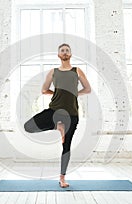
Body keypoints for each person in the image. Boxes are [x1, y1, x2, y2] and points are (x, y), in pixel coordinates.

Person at [24, 43, 91, 188]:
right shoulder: (53, 72)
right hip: (54, 109)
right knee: (28, 126)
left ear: (71, 54)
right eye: (62, 50)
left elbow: (88, 89)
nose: (65, 52)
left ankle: (62, 178)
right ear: (59, 55)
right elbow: (44, 90)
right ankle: (58, 126)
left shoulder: (77, 70)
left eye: (67, 50)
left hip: (72, 113)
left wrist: (75, 94)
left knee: (66, 146)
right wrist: (58, 94)